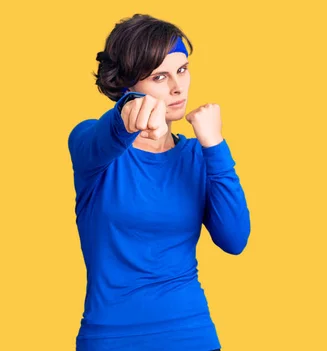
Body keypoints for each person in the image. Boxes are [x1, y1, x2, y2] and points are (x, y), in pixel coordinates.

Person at [67, 13, 251, 351]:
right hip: (110, 338)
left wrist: (215, 145)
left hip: (192, 334)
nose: (177, 87)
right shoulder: (90, 146)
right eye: (159, 76)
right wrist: (128, 114)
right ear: (128, 84)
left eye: (181, 70)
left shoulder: (199, 155)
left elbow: (234, 239)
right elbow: (106, 135)